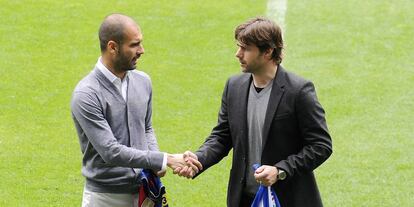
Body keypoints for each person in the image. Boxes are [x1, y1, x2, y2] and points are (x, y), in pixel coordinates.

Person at [177, 17, 333, 207]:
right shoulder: (234, 87)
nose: (238, 54)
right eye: (238, 46)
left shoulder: (298, 91)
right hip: (245, 199)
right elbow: (222, 136)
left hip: (288, 200)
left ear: (268, 52)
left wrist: (280, 170)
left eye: (246, 48)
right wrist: (198, 159)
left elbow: (321, 145)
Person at [71, 14, 201, 207]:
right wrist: (165, 159)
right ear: (113, 47)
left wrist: (156, 165)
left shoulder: (143, 81)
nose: (142, 50)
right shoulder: (87, 94)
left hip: (145, 192)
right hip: (106, 198)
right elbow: (110, 152)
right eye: (134, 45)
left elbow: (146, 127)